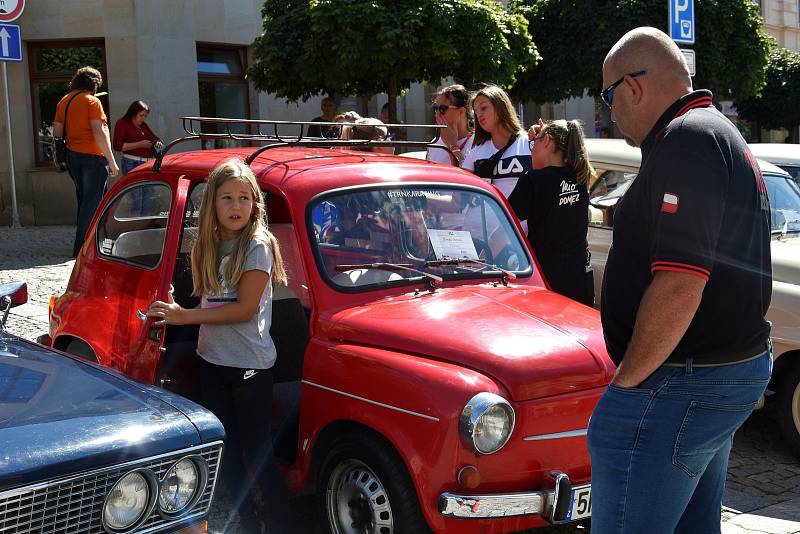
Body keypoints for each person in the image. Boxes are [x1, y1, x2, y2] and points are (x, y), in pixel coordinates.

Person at [588, 27, 772, 534]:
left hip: (683, 380)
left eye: (607, 96)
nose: (609, 112)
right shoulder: (709, 132)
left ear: (633, 85)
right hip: (704, 376)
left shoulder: (687, 139)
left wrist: (624, 389)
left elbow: (680, 284)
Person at [147, 160, 287, 532]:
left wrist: (183, 317)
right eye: (227, 198)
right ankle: (248, 520)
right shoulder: (208, 243)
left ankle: (281, 522)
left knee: (257, 452)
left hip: (250, 366)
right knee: (225, 450)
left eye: (244, 198)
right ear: (213, 204)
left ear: (255, 204)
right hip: (212, 359)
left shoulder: (258, 245)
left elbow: (243, 309)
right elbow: (210, 300)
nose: (236, 206)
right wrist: (175, 303)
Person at [508, 119, 595, 306]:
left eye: (534, 144)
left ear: (547, 141)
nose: (531, 151)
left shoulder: (533, 181)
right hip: (578, 276)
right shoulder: (580, 176)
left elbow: (505, 222)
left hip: (546, 279)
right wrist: (540, 136)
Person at [53, 66, 119, 257]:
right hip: (93, 157)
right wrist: (112, 161)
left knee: (84, 201)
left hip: (73, 157)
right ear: (94, 84)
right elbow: (99, 133)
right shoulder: (92, 101)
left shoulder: (64, 101)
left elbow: (57, 132)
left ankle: (92, 241)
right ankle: (82, 247)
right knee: (93, 202)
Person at [460, 85, 531, 198]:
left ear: (500, 106)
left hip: (521, 216)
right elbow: (459, 199)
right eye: (476, 111)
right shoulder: (475, 153)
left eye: (483, 108)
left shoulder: (529, 143)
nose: (479, 115)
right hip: (482, 215)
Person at [426, 84, 474, 166]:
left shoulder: (477, 143)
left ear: (461, 112)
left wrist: (453, 147)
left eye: (442, 109)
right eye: (435, 109)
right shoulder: (435, 142)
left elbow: (470, 177)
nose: (437, 114)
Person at [113, 100, 163, 175]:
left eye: (145, 116)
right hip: (132, 163)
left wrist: (157, 142)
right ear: (133, 113)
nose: (143, 118)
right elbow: (117, 146)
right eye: (141, 115)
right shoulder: (122, 123)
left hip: (147, 164)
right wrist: (140, 144)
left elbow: (154, 138)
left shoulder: (143, 125)